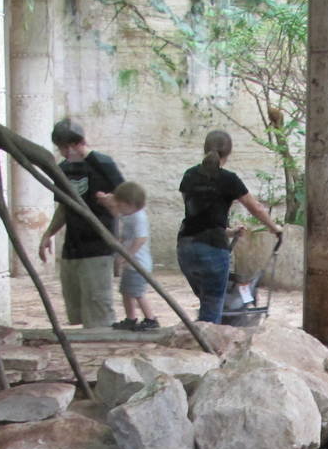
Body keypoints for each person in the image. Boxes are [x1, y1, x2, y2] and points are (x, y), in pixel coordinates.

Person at [176, 130, 284, 324]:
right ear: (228, 153)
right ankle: (210, 349)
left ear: (205, 149)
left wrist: (229, 231)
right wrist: (274, 228)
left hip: (185, 247)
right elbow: (256, 208)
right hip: (212, 247)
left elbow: (197, 215)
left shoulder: (189, 175)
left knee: (206, 300)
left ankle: (202, 337)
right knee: (213, 306)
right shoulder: (229, 179)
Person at [39, 118, 123, 329]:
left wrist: (112, 202)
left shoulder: (103, 164)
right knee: (76, 312)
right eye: (62, 147)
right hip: (72, 248)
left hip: (98, 246)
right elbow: (64, 207)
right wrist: (48, 234)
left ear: (82, 142)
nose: (68, 151)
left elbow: (126, 197)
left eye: (72, 145)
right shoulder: (63, 169)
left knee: (99, 312)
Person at [108, 181, 159, 332]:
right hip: (131, 264)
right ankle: (130, 318)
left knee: (137, 292)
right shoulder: (129, 215)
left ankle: (151, 319)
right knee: (126, 291)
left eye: (120, 205)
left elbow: (140, 239)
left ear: (130, 204)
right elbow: (126, 234)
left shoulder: (139, 217)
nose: (118, 208)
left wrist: (127, 256)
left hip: (139, 264)